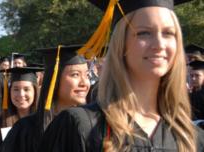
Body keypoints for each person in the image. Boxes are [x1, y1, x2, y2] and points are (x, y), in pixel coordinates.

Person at [39, 0, 204, 151]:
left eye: (169, 33)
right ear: (121, 44)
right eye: (144, 33)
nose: (159, 44)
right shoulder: (80, 126)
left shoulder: (192, 138)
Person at [0, 45, 90, 152]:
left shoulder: (91, 126)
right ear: (54, 79)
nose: (84, 83)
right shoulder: (24, 130)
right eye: (75, 75)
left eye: (87, 75)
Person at [0, 67, 43, 152]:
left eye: (26, 89)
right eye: (16, 89)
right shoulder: (0, 126)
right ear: (9, 92)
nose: (21, 94)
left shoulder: (44, 123)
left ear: (35, 92)